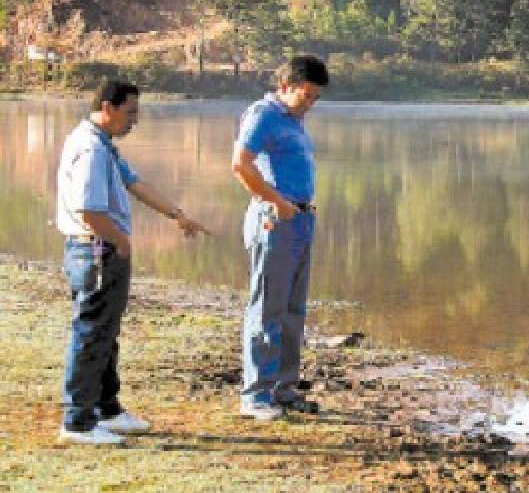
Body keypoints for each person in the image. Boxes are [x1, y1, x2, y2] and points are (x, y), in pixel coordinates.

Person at [57, 79, 210, 444]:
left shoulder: (102, 145)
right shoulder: (90, 150)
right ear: (108, 108)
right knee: (92, 334)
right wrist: (120, 241)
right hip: (96, 250)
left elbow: (135, 183)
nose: (135, 121)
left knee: (106, 333)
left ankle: (105, 409)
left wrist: (178, 214)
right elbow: (88, 209)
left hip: (100, 248)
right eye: (130, 113)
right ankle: (77, 422)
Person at [232, 55, 329, 420]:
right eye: (305, 96)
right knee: (266, 308)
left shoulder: (293, 120)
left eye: (314, 99)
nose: (309, 104)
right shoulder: (263, 114)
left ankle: (283, 389)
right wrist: (276, 201)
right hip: (275, 221)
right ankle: (255, 396)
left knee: (292, 310)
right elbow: (240, 165)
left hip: (301, 220)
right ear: (285, 87)